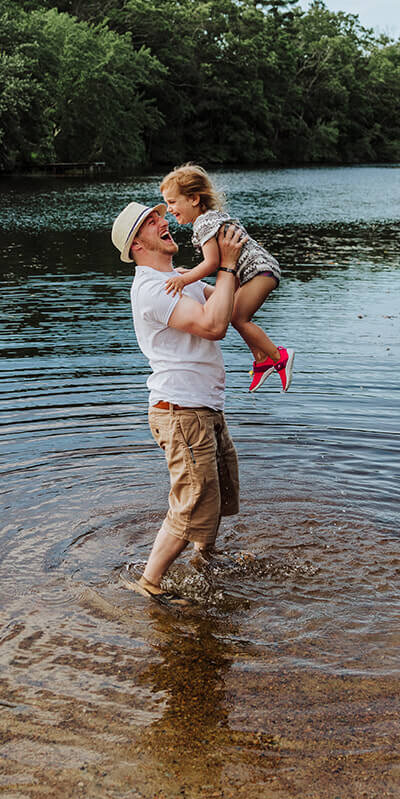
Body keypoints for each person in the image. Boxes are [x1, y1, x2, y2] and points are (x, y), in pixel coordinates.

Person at [111, 199, 248, 604]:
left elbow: (232, 305)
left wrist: (235, 261)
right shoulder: (153, 289)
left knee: (217, 492)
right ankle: (149, 582)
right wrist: (224, 265)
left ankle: (204, 563)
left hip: (203, 406)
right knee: (192, 499)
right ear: (137, 245)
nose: (163, 220)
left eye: (160, 214)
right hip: (180, 410)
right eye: (151, 222)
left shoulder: (180, 278)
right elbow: (213, 324)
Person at [157, 163, 293, 393]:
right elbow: (221, 262)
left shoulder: (203, 223)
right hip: (254, 271)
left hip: (259, 271)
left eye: (172, 202)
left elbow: (211, 263)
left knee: (239, 319)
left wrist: (184, 279)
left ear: (193, 199)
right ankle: (262, 359)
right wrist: (190, 276)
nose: (169, 208)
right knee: (232, 315)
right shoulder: (209, 219)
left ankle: (278, 355)